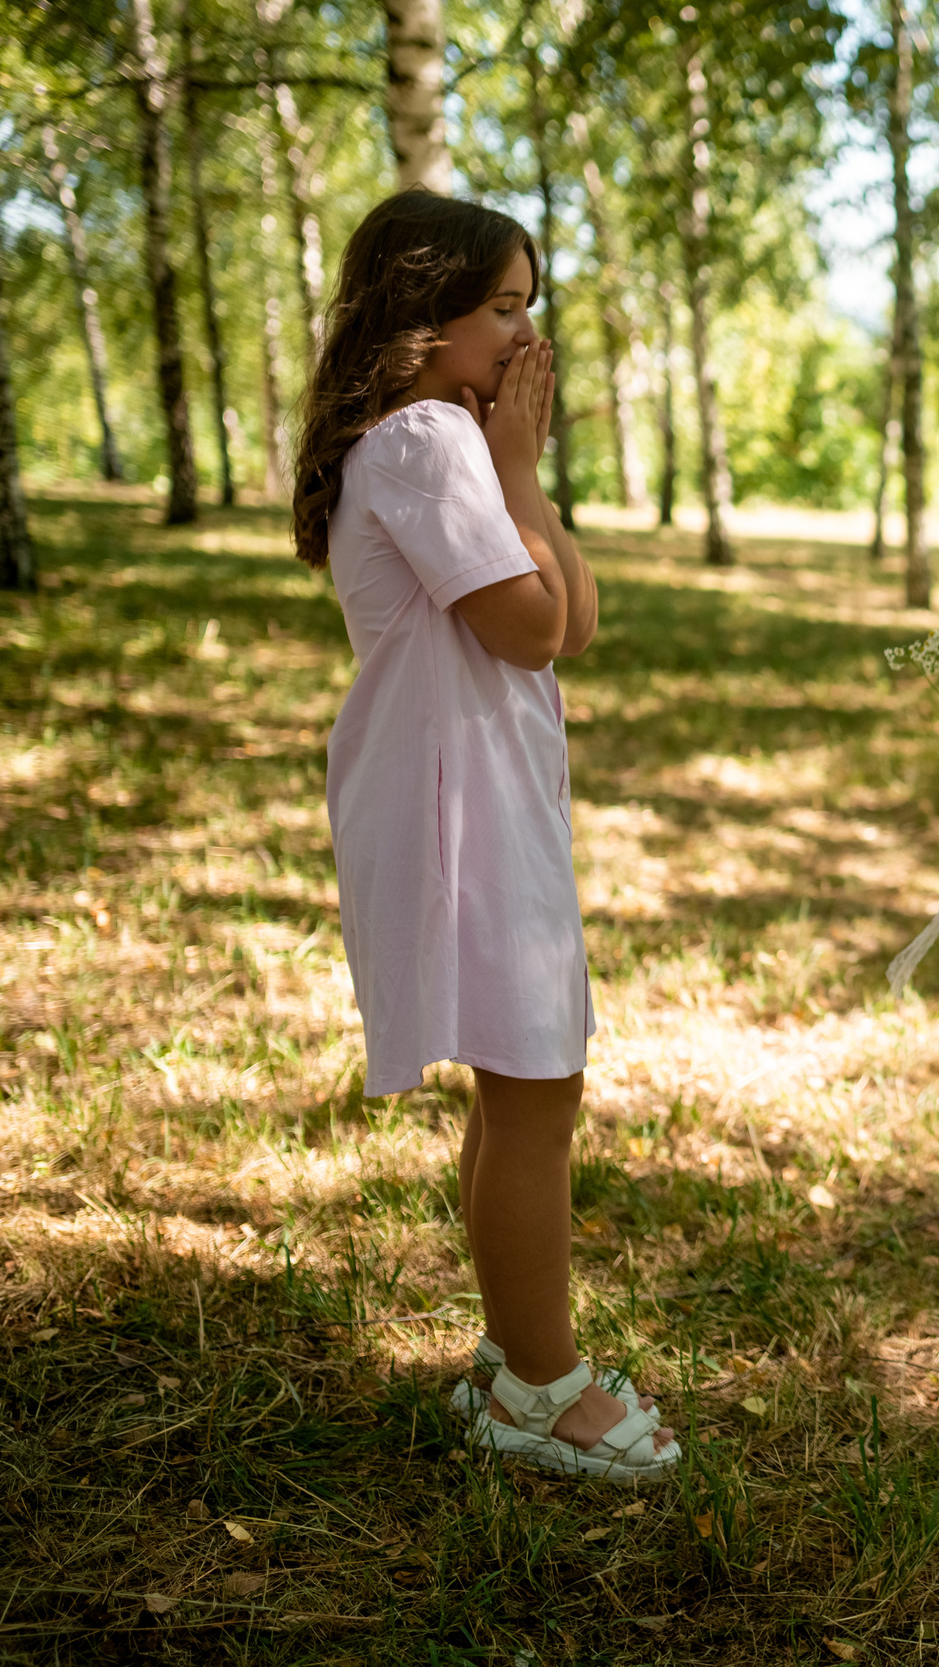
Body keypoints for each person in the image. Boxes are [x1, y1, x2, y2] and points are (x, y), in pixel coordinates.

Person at [294, 190, 674, 1484]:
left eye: (529, 306)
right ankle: (542, 1388)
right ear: (422, 314)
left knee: (525, 1084)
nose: (526, 337)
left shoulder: (447, 440)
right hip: (456, 801)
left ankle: (518, 1362)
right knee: (534, 1084)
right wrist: (515, 474)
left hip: (482, 788)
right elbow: (530, 626)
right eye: (503, 308)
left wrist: (523, 477)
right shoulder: (422, 442)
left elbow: (577, 624)